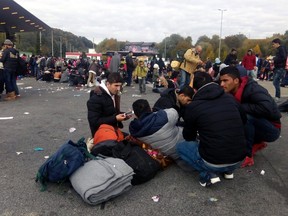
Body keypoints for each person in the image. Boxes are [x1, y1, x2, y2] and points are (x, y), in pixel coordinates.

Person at [176, 71, 247, 187]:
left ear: (194, 89)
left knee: (181, 147)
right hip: (239, 158)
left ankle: (208, 174)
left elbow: (188, 137)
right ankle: (229, 172)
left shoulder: (194, 106)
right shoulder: (230, 98)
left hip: (213, 161)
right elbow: (243, 121)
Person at [219, 66, 281, 167]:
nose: (222, 84)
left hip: (272, 129)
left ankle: (247, 156)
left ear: (235, 80)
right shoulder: (230, 90)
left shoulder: (253, 89)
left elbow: (267, 108)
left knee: (245, 116)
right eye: (220, 81)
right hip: (260, 124)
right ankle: (256, 143)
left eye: (225, 81)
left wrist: (239, 107)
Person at [87, 72, 130, 137]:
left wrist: (123, 115)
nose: (118, 89)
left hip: (111, 129)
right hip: (101, 134)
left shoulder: (113, 94)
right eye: (116, 85)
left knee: (131, 139)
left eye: (120, 86)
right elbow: (94, 122)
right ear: (108, 84)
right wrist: (115, 118)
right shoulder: (96, 98)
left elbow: (110, 112)